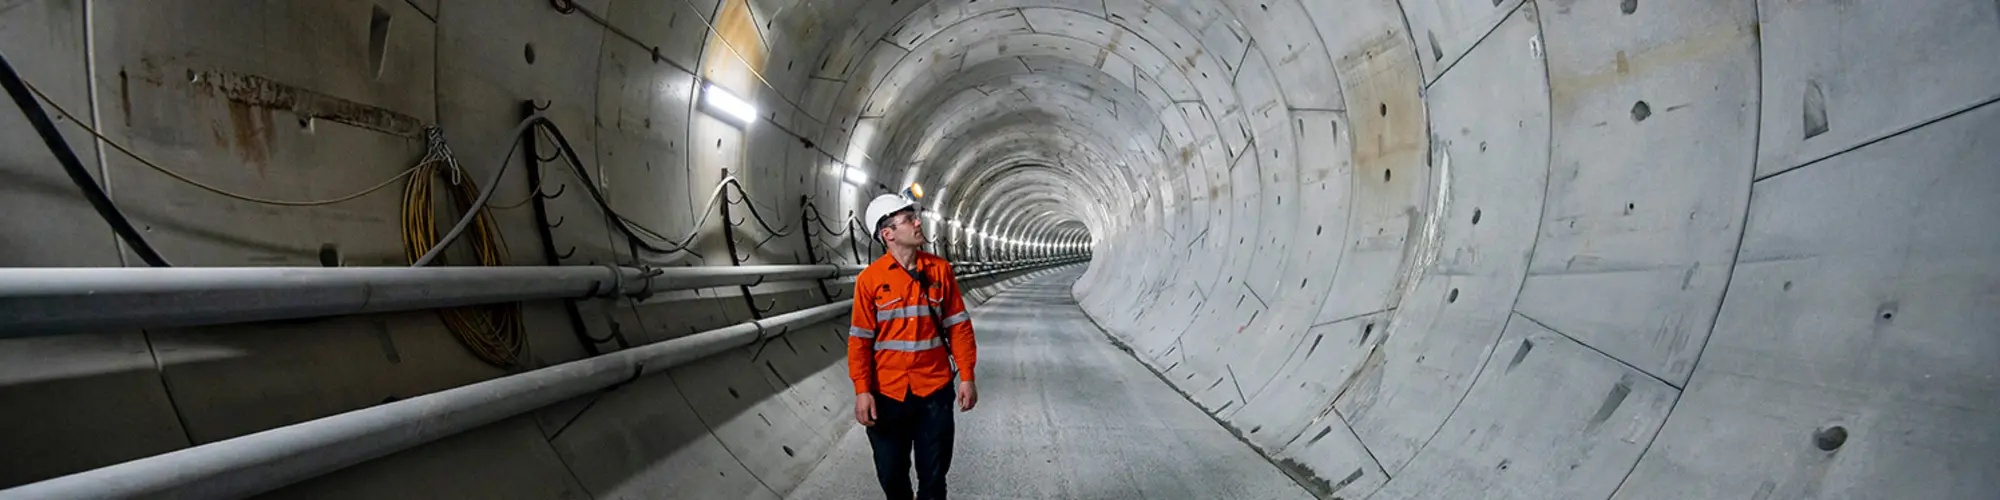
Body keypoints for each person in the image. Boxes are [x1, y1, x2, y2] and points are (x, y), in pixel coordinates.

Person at [848, 193, 979, 500]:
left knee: (934, 477)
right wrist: (862, 390)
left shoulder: (939, 271)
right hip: (888, 393)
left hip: (934, 390)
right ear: (888, 233)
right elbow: (860, 341)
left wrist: (968, 376)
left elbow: (958, 327)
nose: (918, 222)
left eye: (915, 217)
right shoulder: (870, 280)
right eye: (909, 220)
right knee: (892, 475)